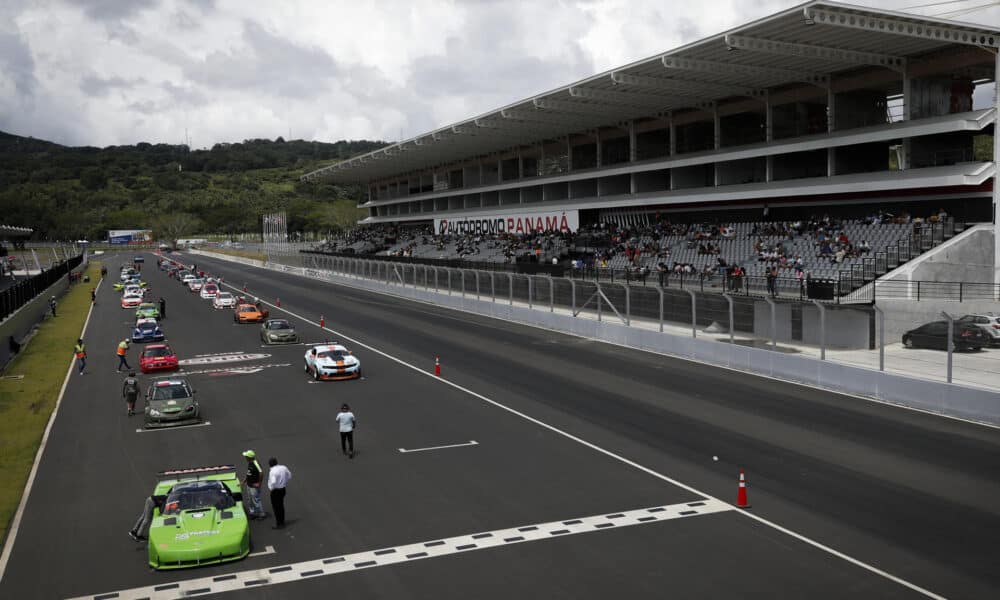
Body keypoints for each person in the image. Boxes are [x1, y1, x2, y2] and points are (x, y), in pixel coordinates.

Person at [267, 457, 292, 529]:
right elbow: (289, 476)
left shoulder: (272, 471)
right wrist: (284, 482)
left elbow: (273, 482)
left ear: (270, 465)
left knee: (276, 507)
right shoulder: (284, 467)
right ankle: (282, 521)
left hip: (275, 491)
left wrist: (271, 489)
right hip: (283, 489)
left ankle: (279, 524)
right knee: (281, 505)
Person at [241, 450, 266, 519]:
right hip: (249, 485)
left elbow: (261, 473)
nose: (245, 457)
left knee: (256, 500)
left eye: (246, 456)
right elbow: (249, 473)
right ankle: (253, 513)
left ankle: (261, 514)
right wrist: (244, 481)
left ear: (249, 457)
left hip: (254, 486)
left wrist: (259, 483)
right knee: (250, 500)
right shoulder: (250, 463)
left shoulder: (255, 463)